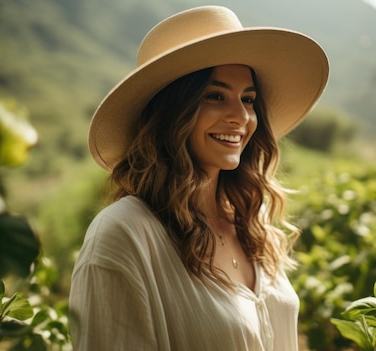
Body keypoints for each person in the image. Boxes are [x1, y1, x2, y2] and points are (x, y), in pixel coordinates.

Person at [68, 5, 329, 351]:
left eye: (248, 99)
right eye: (215, 96)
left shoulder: (253, 226)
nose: (241, 117)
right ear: (173, 111)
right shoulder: (124, 235)